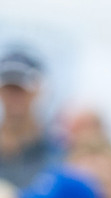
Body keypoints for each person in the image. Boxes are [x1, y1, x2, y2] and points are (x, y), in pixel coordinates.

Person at [0, 47, 64, 189]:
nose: (14, 96)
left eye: (22, 89)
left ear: (37, 90)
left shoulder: (58, 151)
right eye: (9, 88)